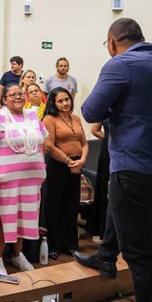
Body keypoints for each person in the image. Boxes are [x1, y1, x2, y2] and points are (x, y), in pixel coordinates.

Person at [76, 18, 152, 302]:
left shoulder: (120, 65)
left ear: (112, 42)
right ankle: (106, 255)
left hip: (136, 167)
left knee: (141, 253)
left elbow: (90, 111)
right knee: (117, 202)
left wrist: (114, 108)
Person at [0, 84, 48, 276]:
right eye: (13, 94)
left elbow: (42, 140)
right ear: (4, 99)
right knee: (6, 218)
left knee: (24, 217)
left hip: (31, 179)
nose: (18, 97)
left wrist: (41, 164)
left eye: (21, 93)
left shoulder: (33, 116)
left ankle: (17, 255)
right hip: (6, 180)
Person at [42, 87, 88, 259]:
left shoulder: (75, 118)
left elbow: (84, 143)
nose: (65, 103)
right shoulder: (49, 119)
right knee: (55, 205)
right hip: (58, 165)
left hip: (76, 165)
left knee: (71, 205)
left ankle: (71, 244)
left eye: (67, 99)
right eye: (60, 101)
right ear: (53, 103)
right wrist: (68, 161)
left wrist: (82, 160)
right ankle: (54, 245)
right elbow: (49, 146)